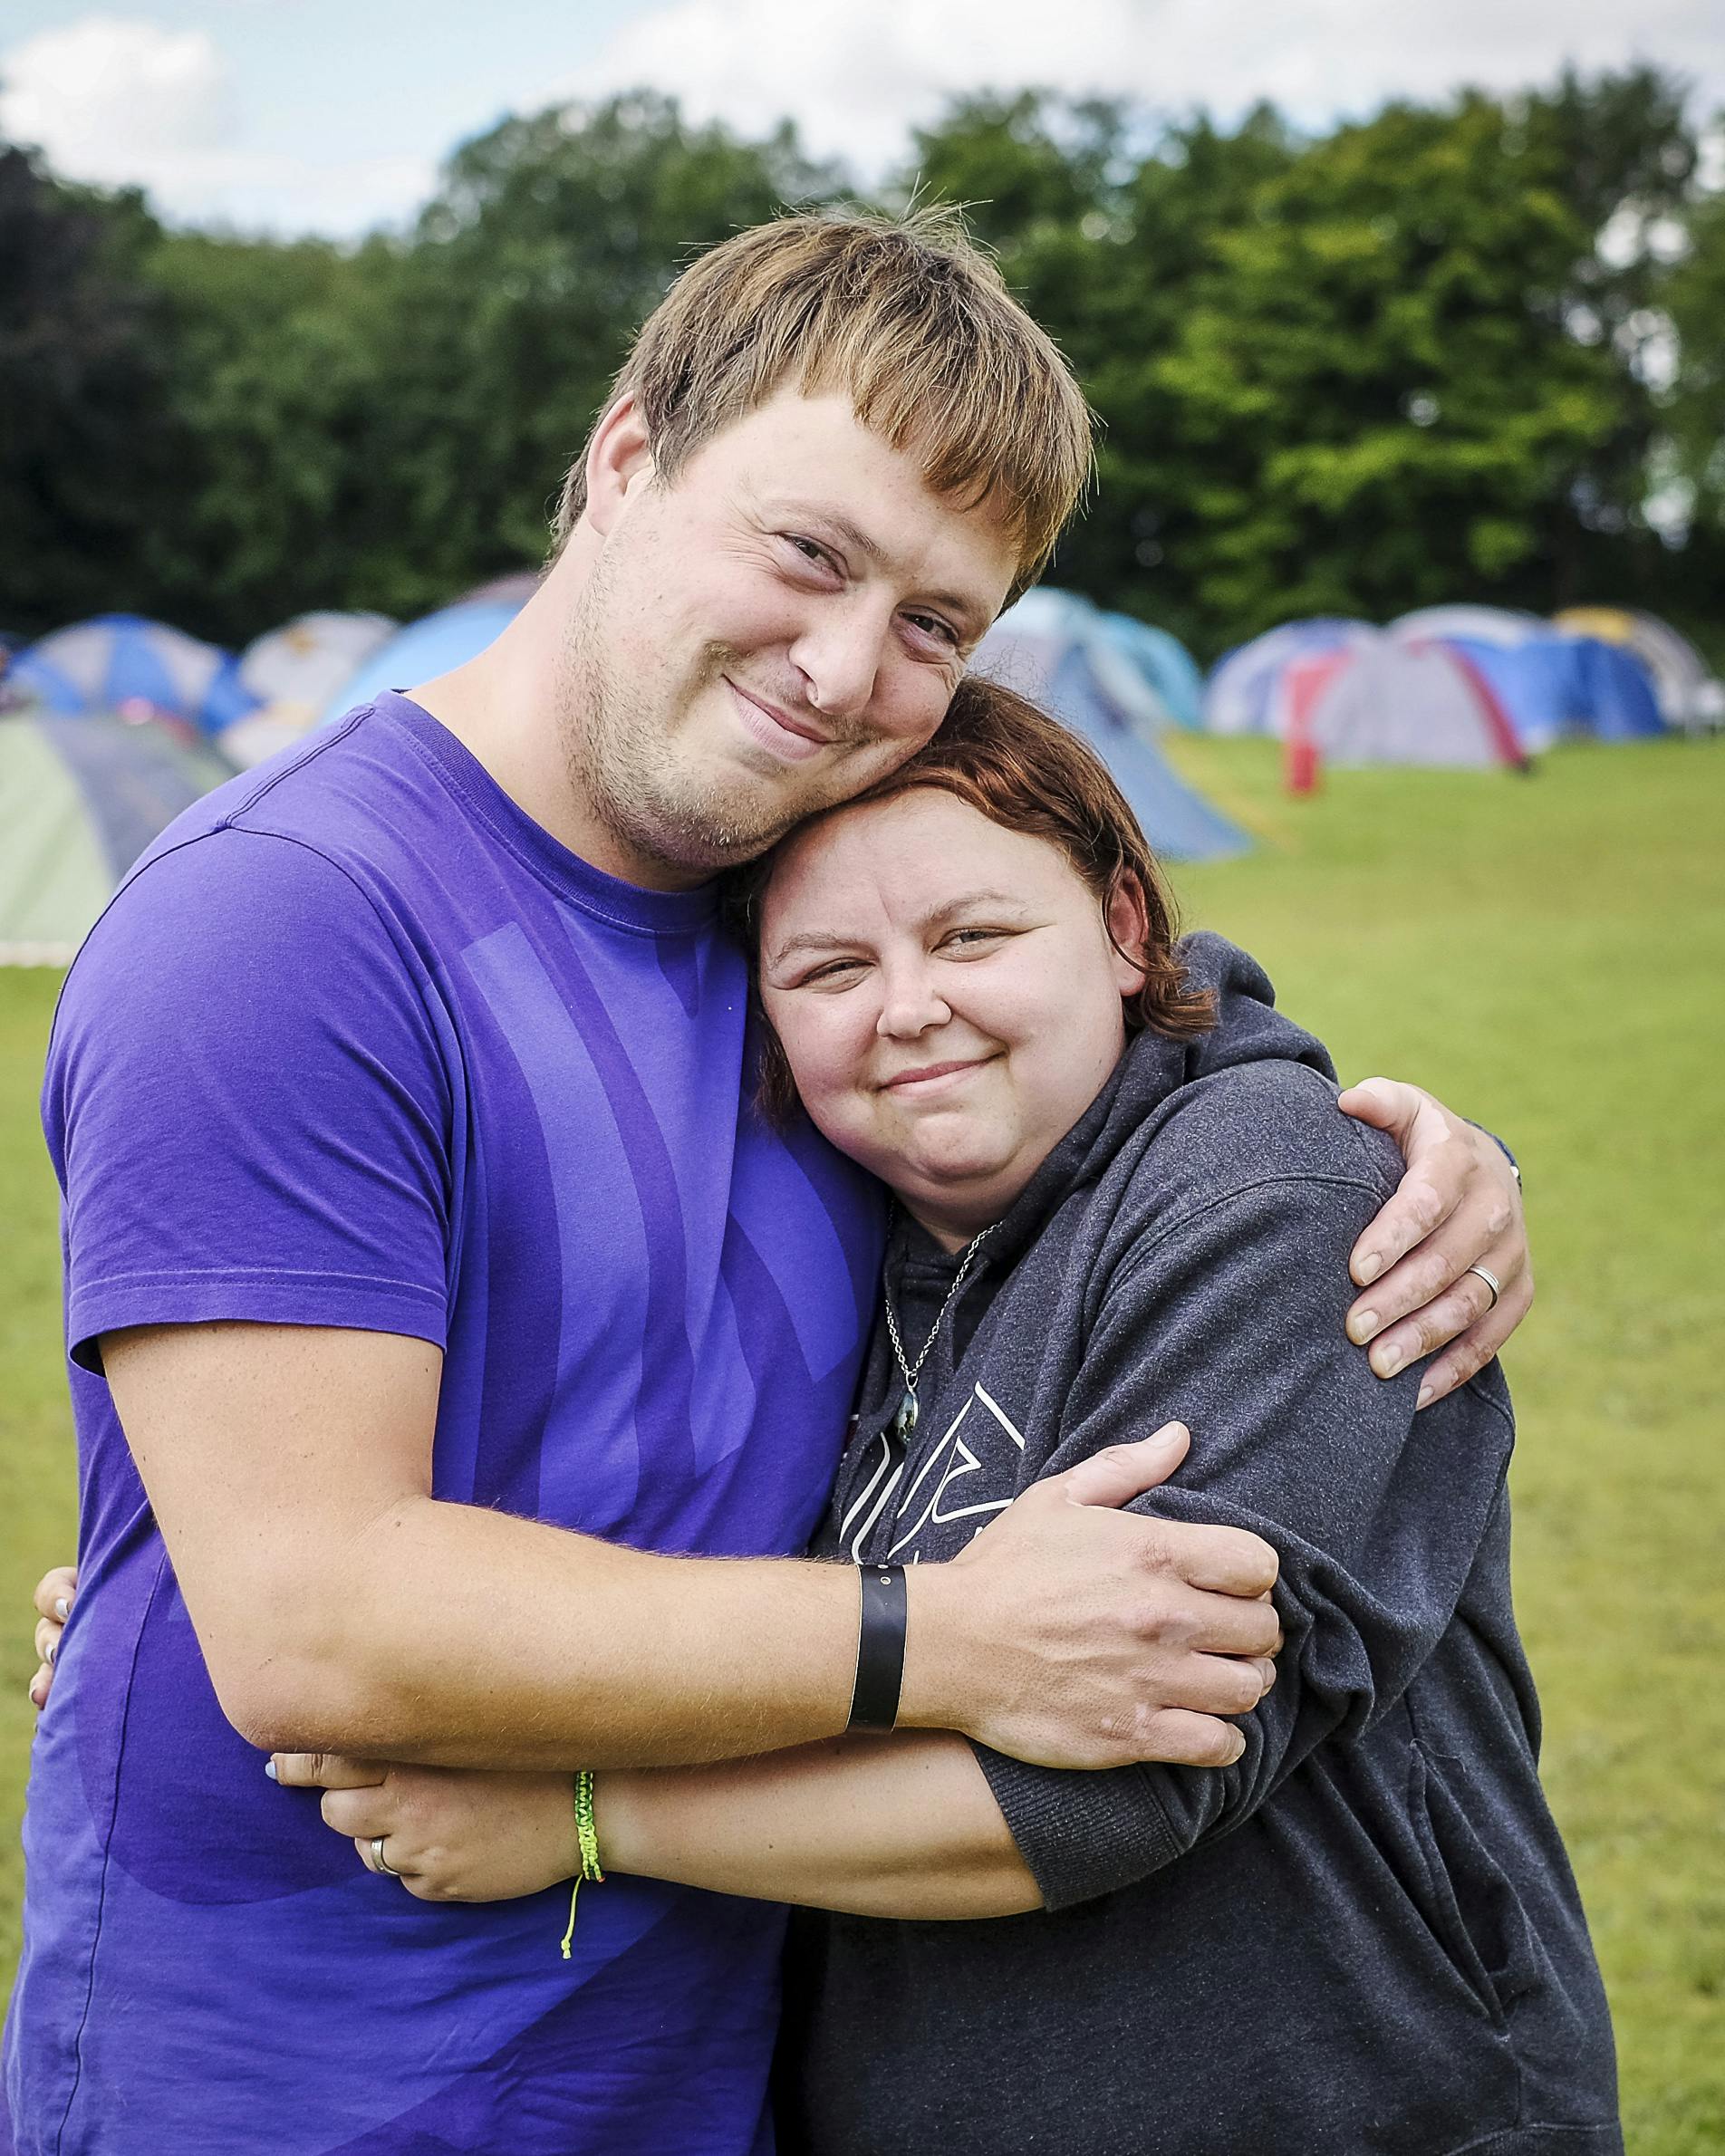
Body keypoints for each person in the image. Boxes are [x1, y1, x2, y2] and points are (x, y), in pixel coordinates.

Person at [10, 208, 1531, 2156]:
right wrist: (949, 1635)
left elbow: (1050, 999)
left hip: (714, 2049)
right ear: (626, 455)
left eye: (934, 624)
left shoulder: (768, 918)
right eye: (809, 551)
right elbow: (314, 1617)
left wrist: (1349, 1115)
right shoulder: (285, 925)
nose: (841, 669)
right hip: (307, 2069)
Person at [270, 679, 1617, 2155]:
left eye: (973, 936)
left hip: (1346, 2107)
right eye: (829, 967)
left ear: (1121, 926)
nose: (910, 1009)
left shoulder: (1277, 1200)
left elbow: (1125, 1774)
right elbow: (636, 1519)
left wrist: (591, 1821)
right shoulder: (823, 1228)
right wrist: (207, 1587)